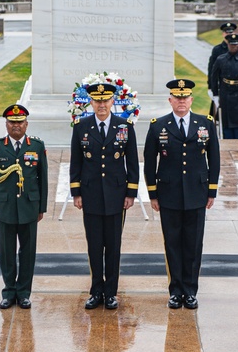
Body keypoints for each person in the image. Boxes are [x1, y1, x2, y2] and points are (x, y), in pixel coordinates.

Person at [143, 79, 220, 310]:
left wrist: (211, 190)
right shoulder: (158, 126)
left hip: (197, 193)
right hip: (169, 194)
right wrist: (153, 194)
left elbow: (214, 159)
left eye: (185, 98)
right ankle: (175, 291)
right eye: (177, 98)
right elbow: (149, 162)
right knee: (173, 244)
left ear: (191, 100)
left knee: (194, 245)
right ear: (170, 100)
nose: (181, 102)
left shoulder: (205, 123)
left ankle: (190, 291)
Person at [69, 83, 139, 310]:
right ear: (91, 102)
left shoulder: (125, 126)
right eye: (97, 101)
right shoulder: (81, 126)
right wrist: (76, 192)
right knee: (94, 245)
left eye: (105, 100)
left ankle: (111, 293)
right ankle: (96, 290)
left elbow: (132, 162)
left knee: (114, 245)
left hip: (117, 196)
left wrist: (131, 193)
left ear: (112, 102)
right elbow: (76, 162)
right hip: (90, 195)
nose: (101, 105)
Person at [0, 104, 48, 310]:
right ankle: (9, 291)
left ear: (26, 124)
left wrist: (42, 207)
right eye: (12, 123)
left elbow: (43, 179)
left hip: (29, 207)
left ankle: (24, 292)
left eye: (20, 122)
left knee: (28, 252)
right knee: (7, 252)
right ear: (6, 124)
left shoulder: (36, 146)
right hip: (5, 207)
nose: (16, 126)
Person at [210, 33, 238, 140]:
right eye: (231, 45)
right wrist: (215, 95)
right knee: (226, 127)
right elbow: (214, 77)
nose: (234, 46)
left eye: (236, 45)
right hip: (226, 94)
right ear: (228, 45)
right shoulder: (221, 59)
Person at [206, 21, 238, 123]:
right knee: (218, 117)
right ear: (223, 34)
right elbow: (212, 70)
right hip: (221, 87)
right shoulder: (217, 50)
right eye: (227, 32)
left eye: (231, 32)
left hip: (236, 89)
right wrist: (211, 86)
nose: (229, 34)